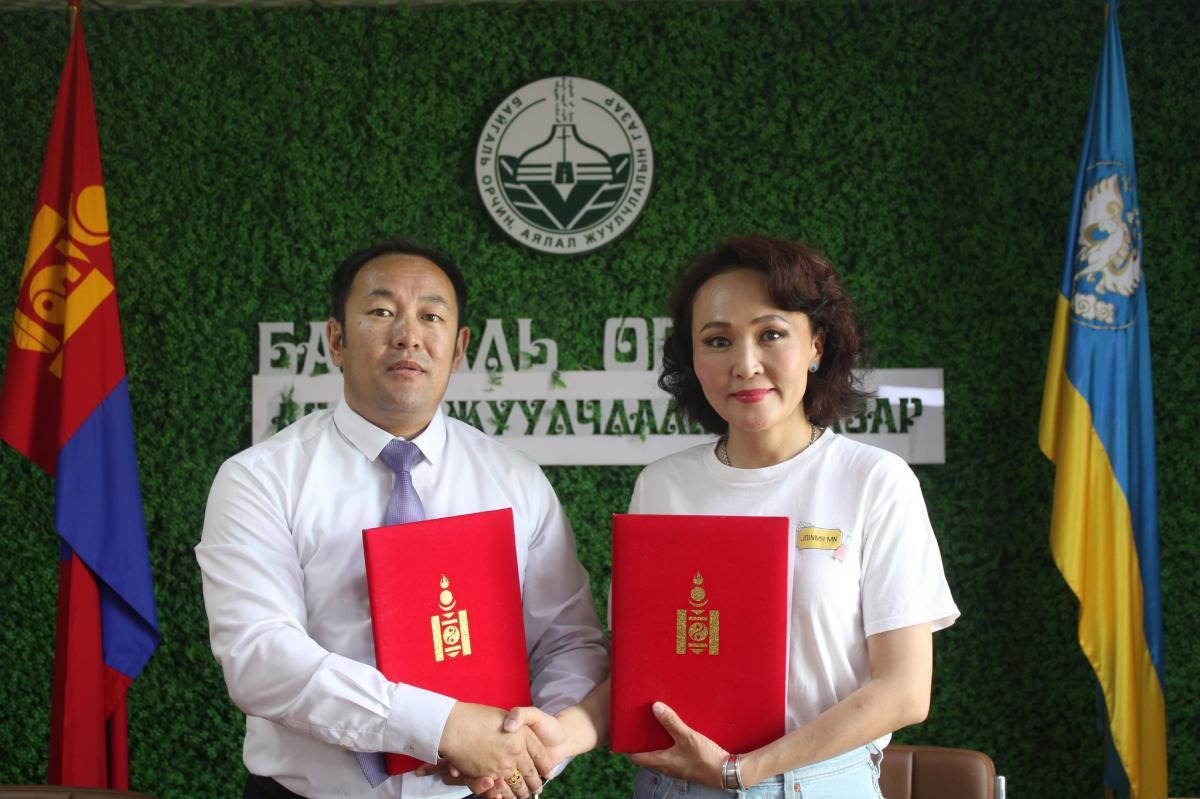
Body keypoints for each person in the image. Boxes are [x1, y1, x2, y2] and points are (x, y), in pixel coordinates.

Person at [498, 234, 959, 798]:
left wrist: (744, 771)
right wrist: (561, 735)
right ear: (693, 360)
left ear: (816, 345)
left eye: (771, 334)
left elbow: (904, 691)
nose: (745, 364)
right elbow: (644, 676)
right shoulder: (663, 486)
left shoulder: (874, 481)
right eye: (718, 341)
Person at [196, 238, 608, 799]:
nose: (408, 335)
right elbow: (260, 657)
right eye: (381, 311)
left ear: (459, 348)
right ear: (336, 340)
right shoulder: (260, 478)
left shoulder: (517, 482)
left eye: (431, 316)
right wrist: (442, 727)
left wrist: (530, 748)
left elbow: (569, 642)